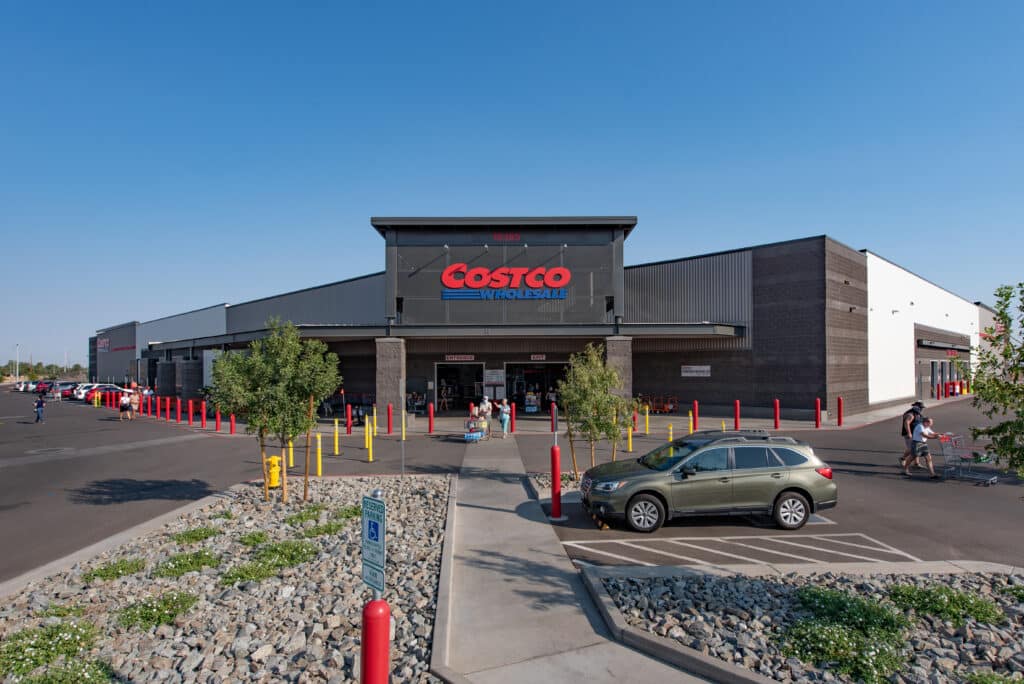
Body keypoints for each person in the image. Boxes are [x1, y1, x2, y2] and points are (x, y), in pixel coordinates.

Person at [899, 401, 925, 469]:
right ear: (916, 407)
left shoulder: (918, 413)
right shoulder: (910, 414)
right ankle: (903, 458)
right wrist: (909, 433)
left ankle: (916, 463)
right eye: (921, 407)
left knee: (917, 448)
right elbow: (906, 423)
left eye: (922, 407)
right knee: (911, 448)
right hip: (910, 434)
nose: (922, 409)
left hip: (916, 434)